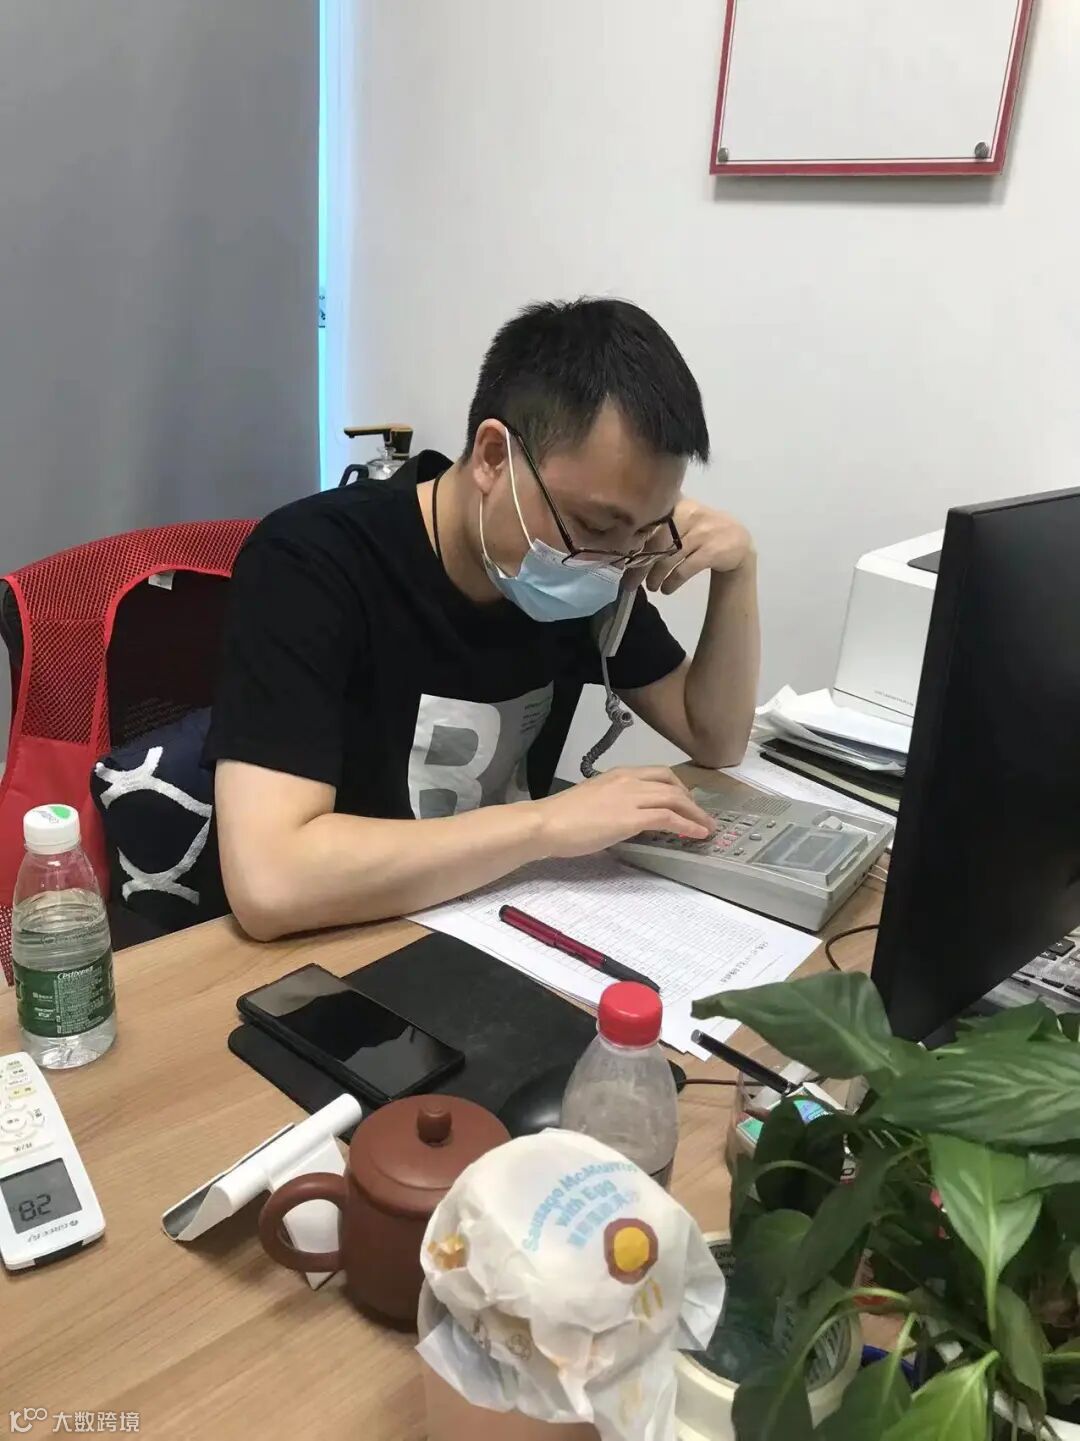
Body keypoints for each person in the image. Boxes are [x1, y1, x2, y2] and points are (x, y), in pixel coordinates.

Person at [207, 298, 760, 940]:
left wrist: (738, 571)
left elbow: (715, 738)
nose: (615, 561)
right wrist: (546, 824)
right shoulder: (311, 561)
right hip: (332, 937)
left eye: (644, 532)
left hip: (483, 913)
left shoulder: (594, 569)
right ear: (493, 457)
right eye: (596, 524)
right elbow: (271, 883)